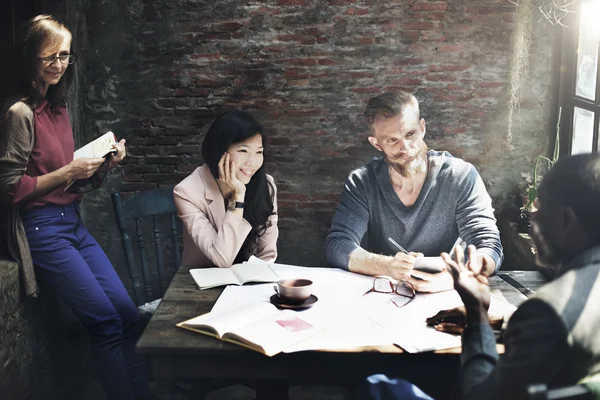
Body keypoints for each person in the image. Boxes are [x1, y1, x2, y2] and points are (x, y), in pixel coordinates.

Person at [0, 15, 153, 400]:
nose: (57, 63)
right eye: (48, 55)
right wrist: (69, 169)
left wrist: (102, 166)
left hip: (72, 223)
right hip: (41, 229)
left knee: (129, 317)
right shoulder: (19, 114)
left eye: (64, 55)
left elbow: (69, 181)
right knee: (104, 322)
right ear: (30, 56)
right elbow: (8, 188)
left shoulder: (60, 110)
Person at [439, 153, 600, 400]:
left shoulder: (548, 311)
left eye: (541, 208)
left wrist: (477, 313)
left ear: (566, 220)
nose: (533, 219)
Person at [325, 91, 503, 293]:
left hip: (449, 294)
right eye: (392, 141)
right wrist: (388, 265)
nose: (406, 148)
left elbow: (489, 246)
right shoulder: (362, 182)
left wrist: (456, 278)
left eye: (410, 134)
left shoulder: (460, 176)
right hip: (387, 295)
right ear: (376, 143)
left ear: (422, 128)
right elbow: (338, 245)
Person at [174, 109, 278, 268]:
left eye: (259, 152)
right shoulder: (187, 192)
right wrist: (238, 196)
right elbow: (221, 259)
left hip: (249, 281)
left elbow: (267, 255)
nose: (252, 162)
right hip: (203, 282)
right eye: (243, 151)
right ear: (220, 152)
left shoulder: (266, 186)